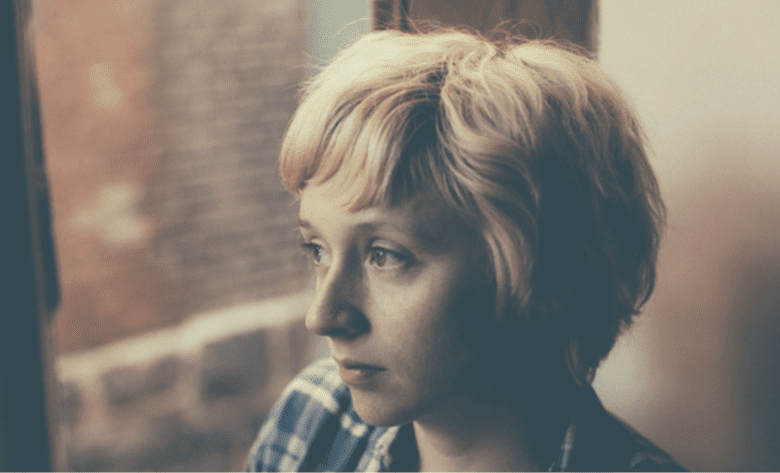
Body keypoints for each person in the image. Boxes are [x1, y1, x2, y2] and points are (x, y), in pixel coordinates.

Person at [246, 26, 684, 472]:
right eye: (317, 250)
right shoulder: (312, 419)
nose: (322, 316)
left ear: (549, 274)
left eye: (385, 256)